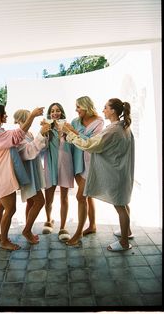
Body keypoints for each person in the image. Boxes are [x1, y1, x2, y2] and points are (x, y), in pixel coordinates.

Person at [62, 98, 135, 251]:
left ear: (113, 111)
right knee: (123, 204)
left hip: (116, 173)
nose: (103, 110)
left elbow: (90, 145)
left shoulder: (112, 129)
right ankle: (126, 232)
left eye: (106, 107)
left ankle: (123, 243)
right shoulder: (122, 126)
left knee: (120, 206)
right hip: (122, 171)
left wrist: (70, 133)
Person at [0, 104, 44, 250]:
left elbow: (17, 136)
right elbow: (18, 135)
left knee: (0, 206)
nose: (6, 116)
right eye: (4, 114)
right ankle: (4, 241)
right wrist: (33, 116)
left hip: (0, 174)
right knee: (10, 209)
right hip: (2, 176)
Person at [67, 96, 104, 245]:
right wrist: (65, 132)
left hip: (89, 162)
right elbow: (70, 138)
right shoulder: (76, 120)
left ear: (86, 107)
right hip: (76, 161)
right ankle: (92, 226)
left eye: (78, 107)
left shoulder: (99, 122)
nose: (76, 110)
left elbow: (91, 143)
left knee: (80, 197)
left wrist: (73, 132)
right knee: (88, 196)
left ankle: (78, 234)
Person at [13, 109, 50, 244]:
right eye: (29, 117)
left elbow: (39, 148)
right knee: (40, 202)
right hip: (27, 174)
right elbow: (29, 152)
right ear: (25, 118)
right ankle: (27, 230)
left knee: (31, 202)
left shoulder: (29, 133)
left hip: (33, 171)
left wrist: (43, 133)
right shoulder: (18, 137)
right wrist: (41, 133)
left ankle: (28, 229)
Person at [42, 102, 74, 241]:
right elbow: (41, 144)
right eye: (53, 111)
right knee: (48, 197)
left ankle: (63, 226)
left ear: (61, 113)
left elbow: (73, 142)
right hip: (50, 163)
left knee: (64, 197)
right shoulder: (46, 127)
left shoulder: (67, 125)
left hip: (65, 163)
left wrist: (64, 132)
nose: (55, 113)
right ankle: (49, 220)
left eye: (58, 110)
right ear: (50, 113)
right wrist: (43, 130)